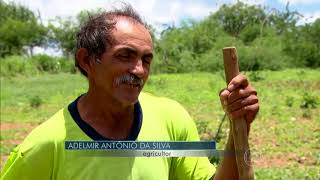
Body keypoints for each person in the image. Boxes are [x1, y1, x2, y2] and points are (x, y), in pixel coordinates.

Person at [1, 4, 259, 180]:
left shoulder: (170, 117)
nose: (138, 70)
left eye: (146, 60)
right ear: (86, 60)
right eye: (125, 56)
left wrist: (241, 126)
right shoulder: (46, 146)